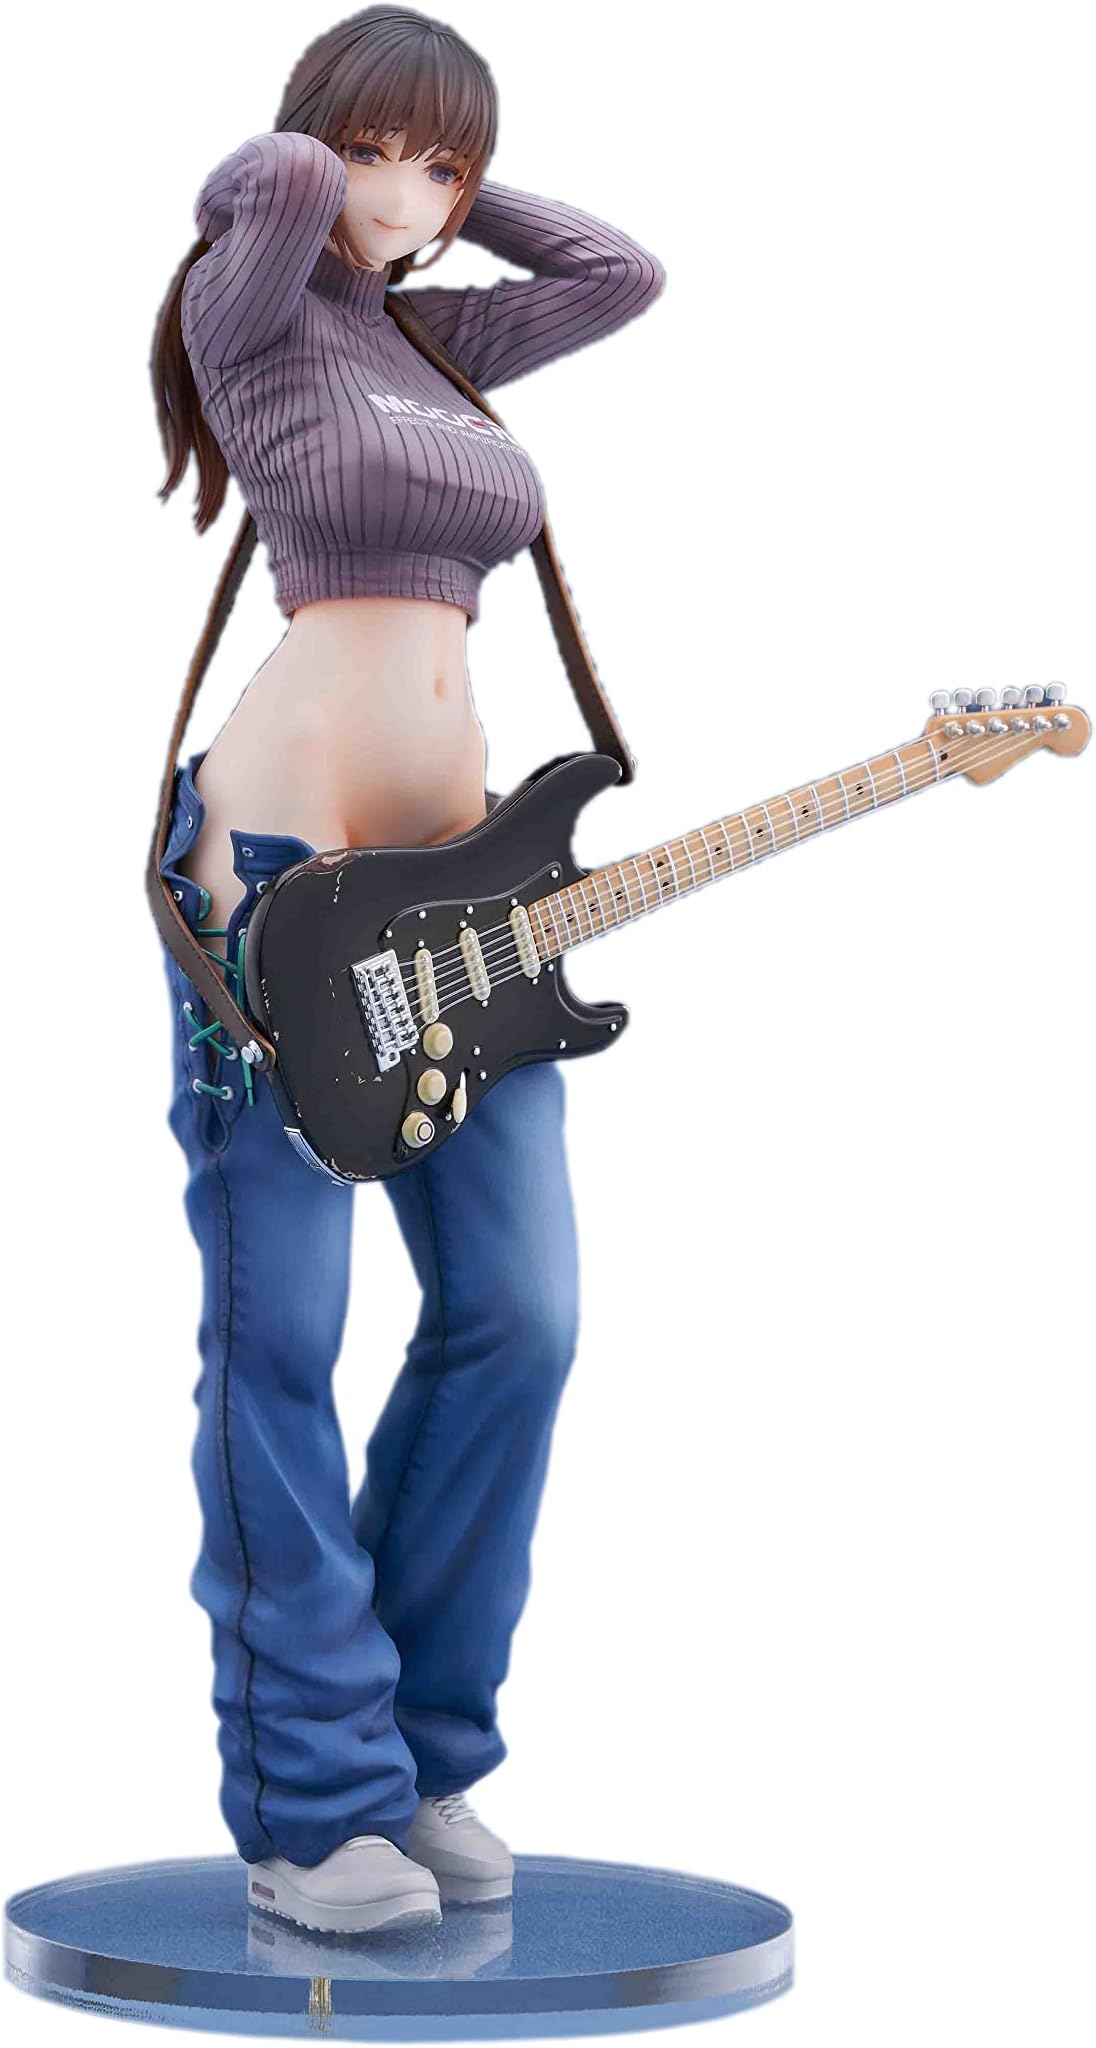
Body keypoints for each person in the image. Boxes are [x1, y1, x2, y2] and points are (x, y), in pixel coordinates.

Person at [150, 4, 664, 1936]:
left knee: (521, 1313)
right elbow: (271, 182)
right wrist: (332, 159)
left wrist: (455, 195)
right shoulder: (249, 306)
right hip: (279, 883)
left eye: (439, 163)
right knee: (279, 1335)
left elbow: (620, 273)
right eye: (375, 148)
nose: (399, 188)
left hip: (465, 899)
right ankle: (310, 1809)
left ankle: (421, 1754)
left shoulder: (443, 340)